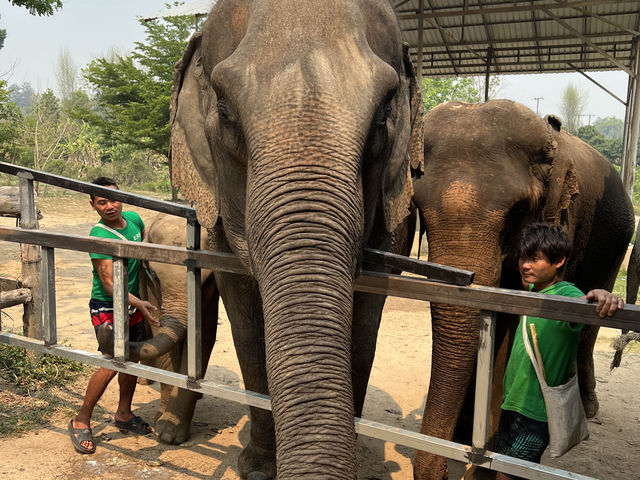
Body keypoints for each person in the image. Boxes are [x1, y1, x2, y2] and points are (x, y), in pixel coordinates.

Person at [495, 222, 623, 480]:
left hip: (537, 412)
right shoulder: (533, 290)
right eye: (523, 257)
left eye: (534, 259)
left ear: (559, 261)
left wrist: (601, 294)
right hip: (512, 402)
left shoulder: (567, 296)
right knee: (504, 467)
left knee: (507, 476)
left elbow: (585, 303)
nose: (525, 265)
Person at [68, 177, 159, 455]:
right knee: (111, 363)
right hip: (107, 306)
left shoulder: (133, 219)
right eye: (102, 202)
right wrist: (142, 303)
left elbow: (144, 247)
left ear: (122, 199)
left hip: (133, 304)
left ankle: (123, 413)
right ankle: (81, 419)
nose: (109, 206)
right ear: (93, 205)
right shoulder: (100, 236)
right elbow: (109, 284)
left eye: (113, 199)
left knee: (131, 357)